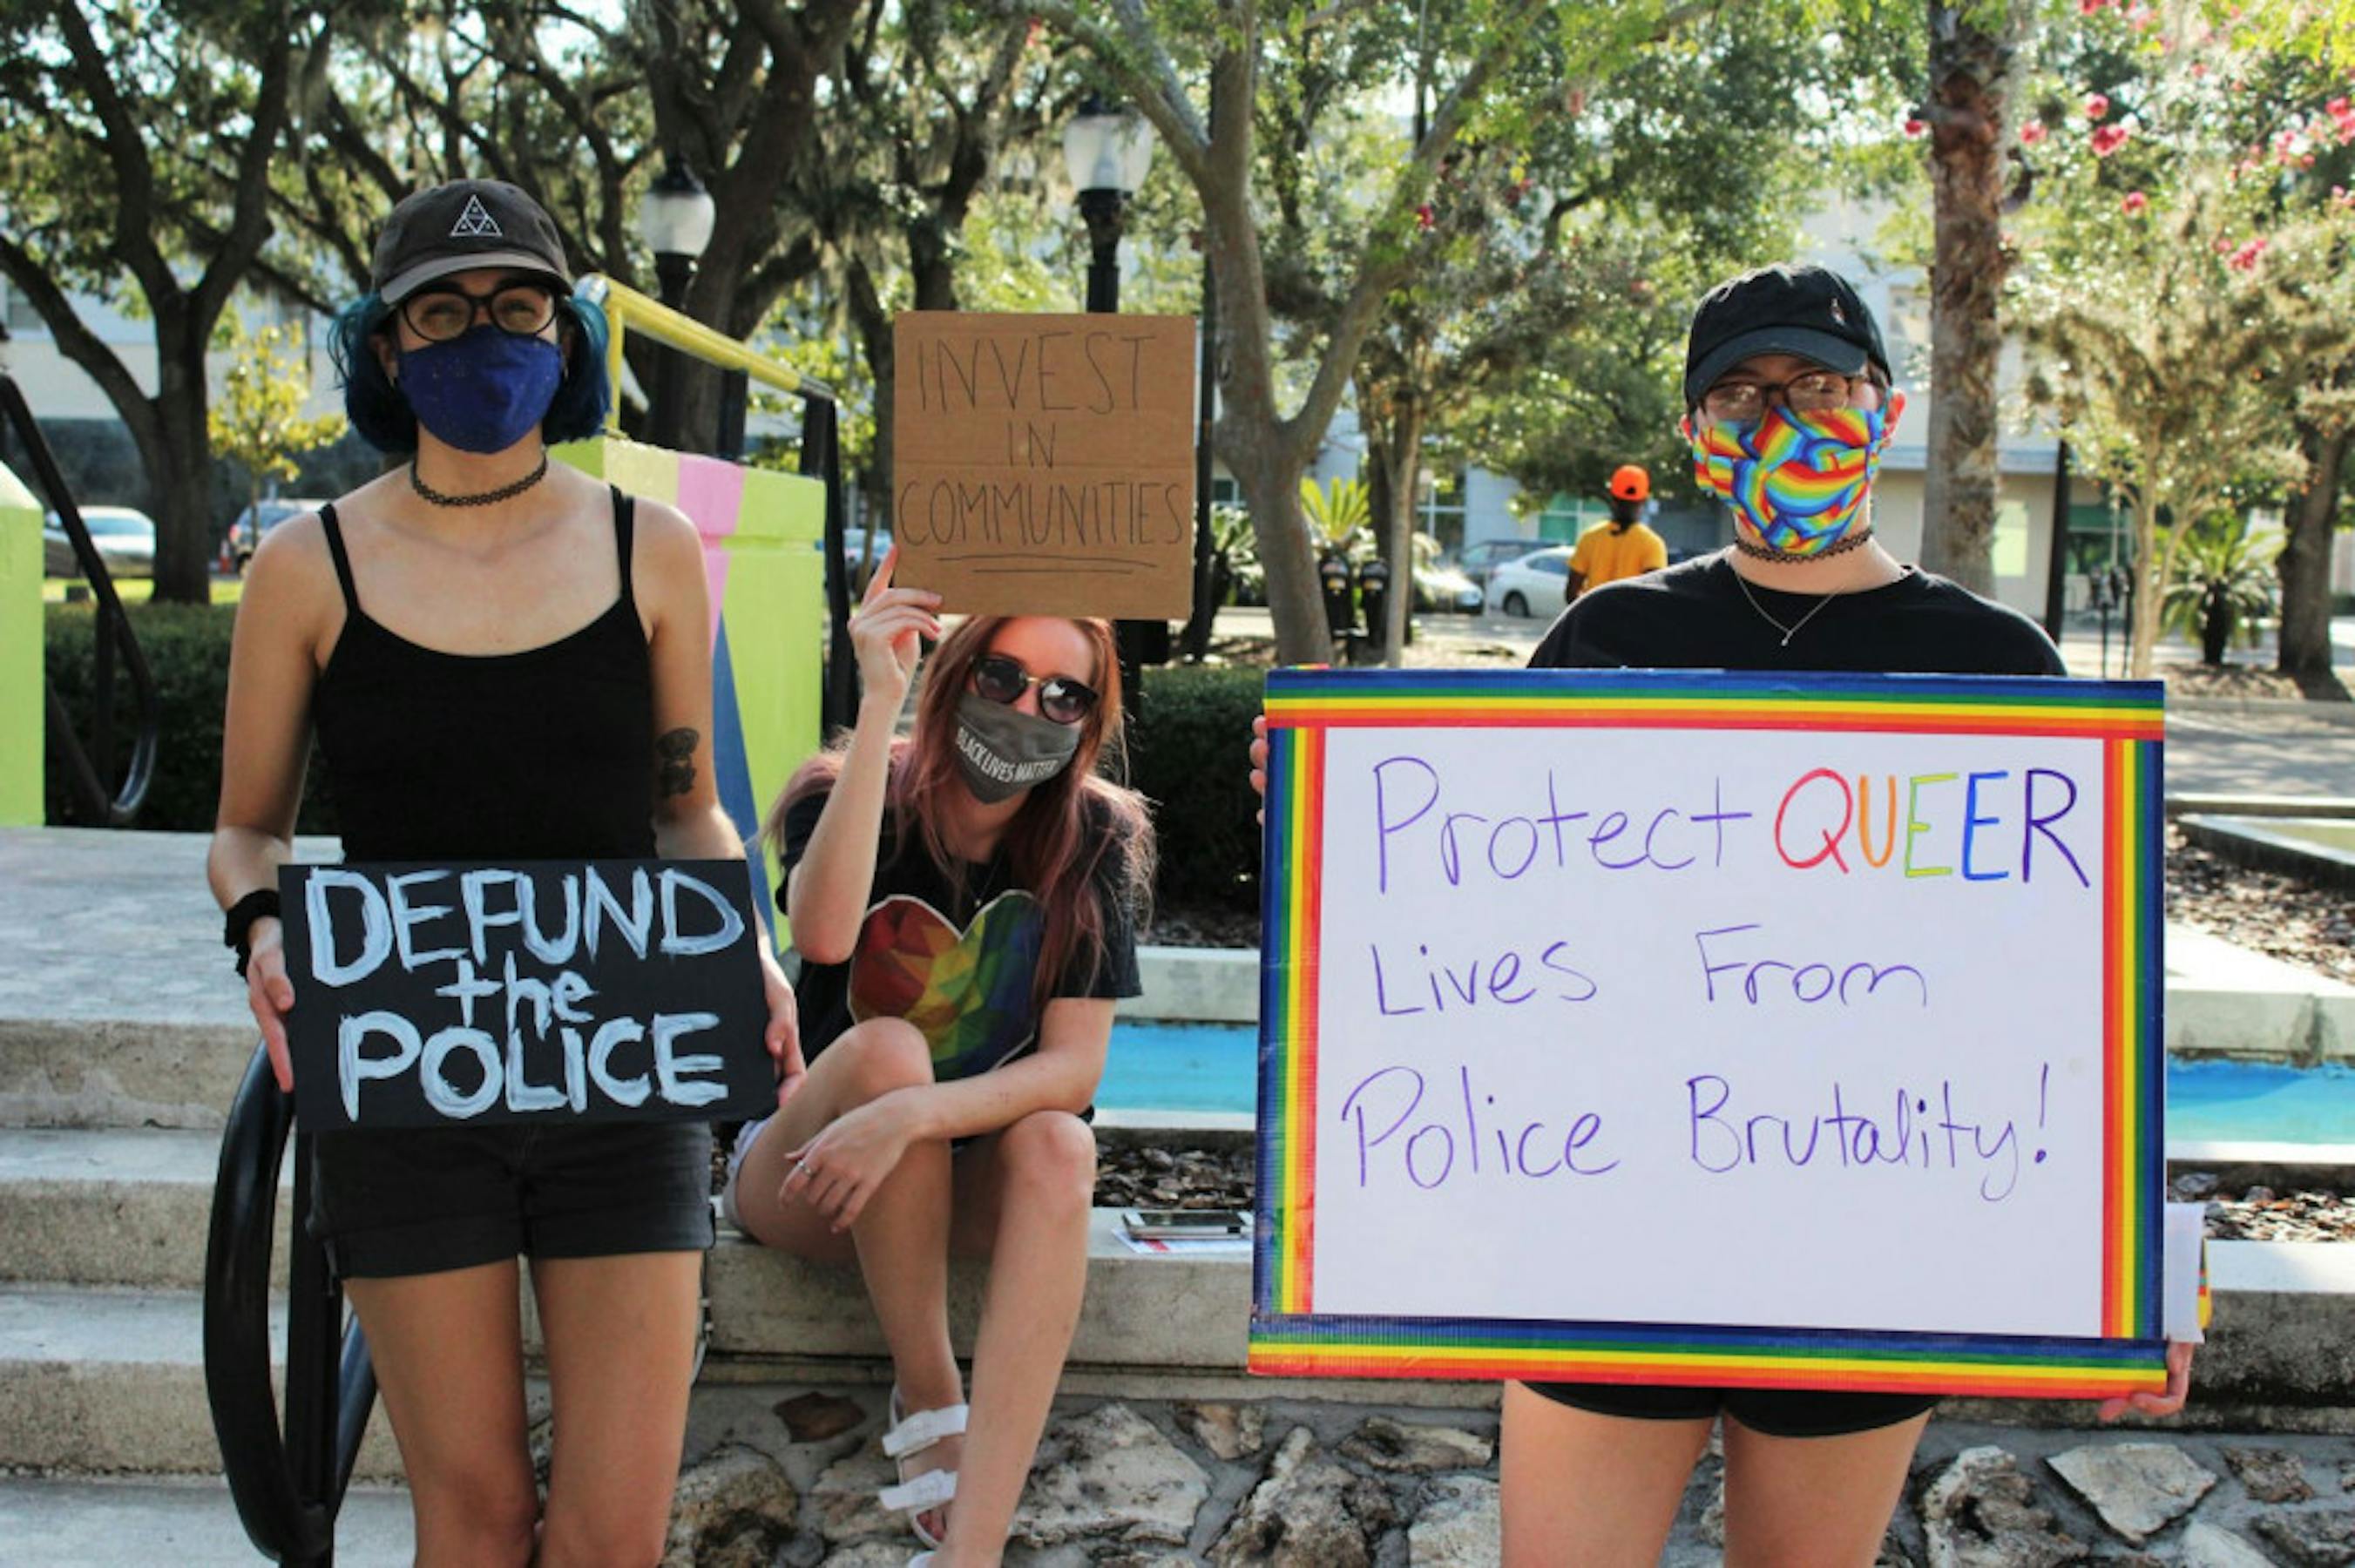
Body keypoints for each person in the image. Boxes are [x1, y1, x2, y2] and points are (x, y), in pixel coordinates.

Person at [1252, 262, 2193, 1565]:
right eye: (1740, 393)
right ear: (1694, 430)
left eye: (1817, 385)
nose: (1780, 417)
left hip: (1872, 1248)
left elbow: (2083, 993)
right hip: (1602, 1231)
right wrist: (1326, 807)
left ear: (1884, 407)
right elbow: (1480, 916)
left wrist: (2153, 1255)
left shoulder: (1998, 665)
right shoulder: (1608, 634)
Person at [208, 178, 802, 1567]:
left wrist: (743, 945)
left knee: (611, 1537)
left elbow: (689, 814)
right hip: (407, 1083)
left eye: (519, 306)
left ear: (565, 334)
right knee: (471, 1524)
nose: (485, 335)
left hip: (624, 1075)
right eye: (444, 311)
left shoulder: (650, 548)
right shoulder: (306, 566)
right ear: (386, 343)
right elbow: (246, 830)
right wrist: (262, 929)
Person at [722, 556, 1154, 1568]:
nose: (1027, 709)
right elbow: (824, 937)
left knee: (1059, 1145)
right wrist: (882, 703)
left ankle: (974, 1549)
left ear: (1089, 719)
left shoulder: (1093, 837)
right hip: (813, 1176)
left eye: (1064, 695)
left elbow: (1073, 1074)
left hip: (959, 1187)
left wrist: (916, 1116)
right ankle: (928, 1390)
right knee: (887, 1049)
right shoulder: (844, 789)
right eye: (1003, 676)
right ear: (957, 671)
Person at [1565, 463, 1668, 599]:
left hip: (1595, 612)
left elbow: (1571, 592)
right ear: (1643, 500)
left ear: (1612, 498)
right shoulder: (1652, 543)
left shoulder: (1589, 537)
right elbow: (1654, 596)